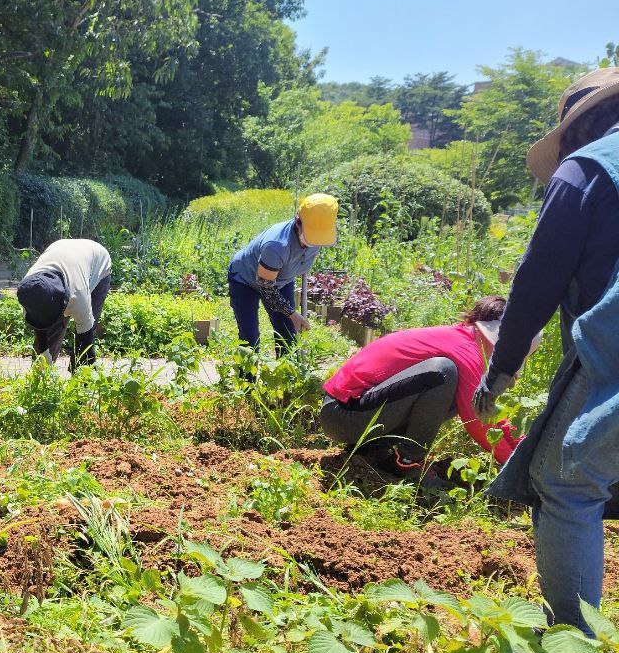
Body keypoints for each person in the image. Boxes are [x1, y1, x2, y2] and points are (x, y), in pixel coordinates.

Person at [473, 66, 619, 632]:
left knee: (566, 483)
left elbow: (537, 282)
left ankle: (571, 646)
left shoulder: (587, 170)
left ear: (577, 129)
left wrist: (501, 371)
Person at [321, 296, 530, 477]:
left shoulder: (464, 340)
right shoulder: (467, 349)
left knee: (458, 388)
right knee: (443, 372)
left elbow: (487, 412)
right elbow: (477, 422)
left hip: (354, 411)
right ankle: (408, 462)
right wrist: (516, 467)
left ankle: (374, 449)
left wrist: (525, 446)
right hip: (343, 414)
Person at [227, 194, 338, 355]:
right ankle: (246, 380)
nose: (316, 243)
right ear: (298, 222)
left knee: (287, 333)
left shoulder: (320, 234)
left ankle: (286, 377)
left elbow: (302, 259)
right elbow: (267, 289)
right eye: (312, 236)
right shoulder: (276, 246)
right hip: (245, 280)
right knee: (249, 336)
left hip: (281, 281)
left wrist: (290, 316)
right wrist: (292, 313)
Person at [15, 237, 112, 368]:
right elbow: (39, 323)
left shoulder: (78, 296)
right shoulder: (28, 289)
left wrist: (90, 367)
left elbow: (86, 339)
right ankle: (42, 376)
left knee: (83, 346)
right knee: (48, 335)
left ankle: (79, 377)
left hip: (98, 261)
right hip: (61, 251)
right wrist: (43, 353)